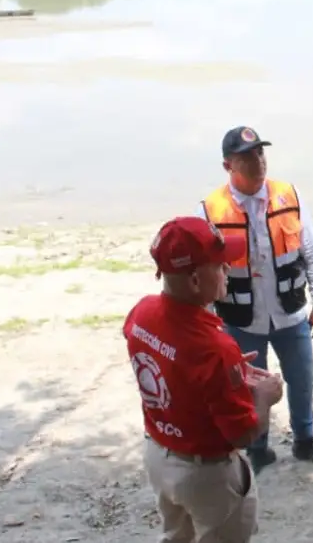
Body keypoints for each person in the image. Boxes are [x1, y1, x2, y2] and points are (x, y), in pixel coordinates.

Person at [124, 216, 286, 543]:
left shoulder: (142, 312)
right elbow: (242, 434)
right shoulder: (214, 348)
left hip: (158, 453)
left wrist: (224, 375)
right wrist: (265, 397)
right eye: (220, 264)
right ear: (196, 280)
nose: (228, 269)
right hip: (205, 473)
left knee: (176, 535)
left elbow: (171, 359)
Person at [196, 125, 313, 473]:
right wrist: (208, 324)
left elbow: (311, 252)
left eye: (260, 152)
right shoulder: (211, 210)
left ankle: (305, 441)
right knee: (249, 387)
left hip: (290, 314)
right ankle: (257, 449)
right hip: (241, 320)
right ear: (228, 165)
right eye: (246, 157)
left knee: (301, 380)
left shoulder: (289, 196)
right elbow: (205, 272)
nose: (257, 161)